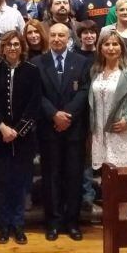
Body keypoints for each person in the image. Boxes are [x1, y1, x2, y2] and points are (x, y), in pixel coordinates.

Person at [32, 23, 91, 241]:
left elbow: (85, 92)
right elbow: (36, 94)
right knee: (51, 177)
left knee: (74, 177)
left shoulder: (82, 62)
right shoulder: (37, 63)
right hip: (48, 128)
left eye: (61, 35)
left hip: (74, 129)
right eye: (54, 35)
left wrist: (66, 115)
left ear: (69, 38)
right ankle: (53, 222)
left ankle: (72, 222)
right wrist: (54, 115)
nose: (57, 39)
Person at [0, 31, 41, 245]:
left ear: (22, 47)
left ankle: (18, 224)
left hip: (24, 138)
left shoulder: (32, 71)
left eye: (16, 44)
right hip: (0, 136)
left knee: (20, 182)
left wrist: (18, 130)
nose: (12, 48)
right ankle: (4, 224)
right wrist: (3, 128)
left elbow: (35, 103)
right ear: (2, 48)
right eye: (8, 44)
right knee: (3, 182)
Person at [89, 29, 127, 218]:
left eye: (115, 44)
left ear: (121, 48)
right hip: (99, 133)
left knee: (122, 179)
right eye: (107, 44)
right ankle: (110, 219)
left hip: (121, 133)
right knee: (106, 180)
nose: (111, 48)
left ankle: (122, 219)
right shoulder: (95, 71)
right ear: (100, 48)